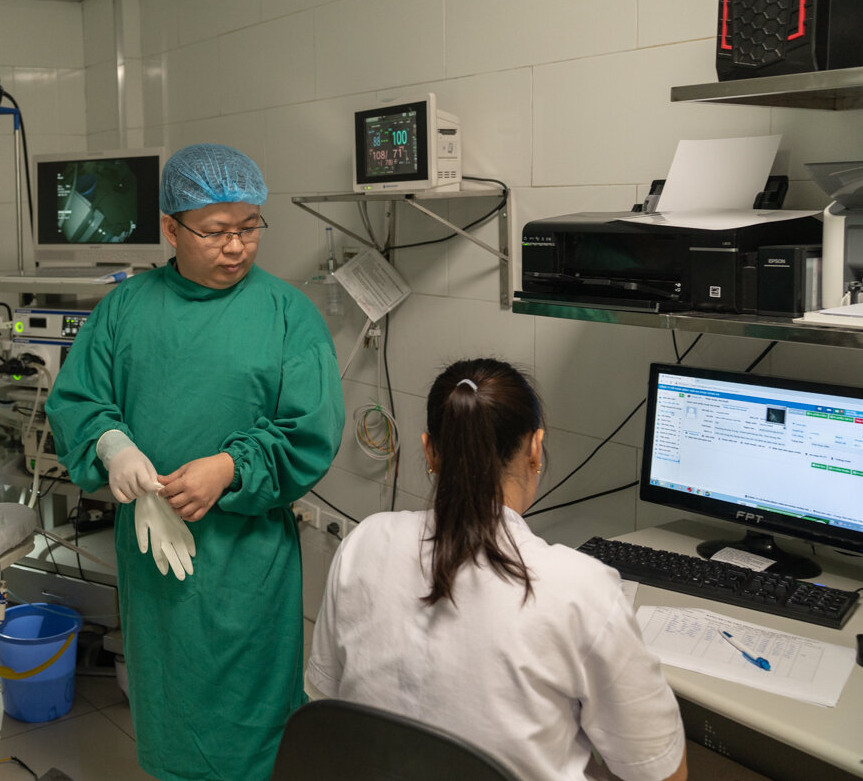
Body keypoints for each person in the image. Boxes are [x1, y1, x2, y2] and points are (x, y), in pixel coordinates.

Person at [46, 143, 343, 781]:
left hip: (248, 558)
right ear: (170, 229)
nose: (236, 246)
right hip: (155, 557)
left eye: (249, 228)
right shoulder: (125, 309)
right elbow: (77, 400)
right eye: (216, 232)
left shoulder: (287, 314)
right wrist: (111, 444)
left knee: (253, 713)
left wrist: (232, 468)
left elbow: (310, 430)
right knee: (169, 702)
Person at [308, 359, 687, 781]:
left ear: (430, 451)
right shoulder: (579, 587)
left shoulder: (365, 543)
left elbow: (327, 698)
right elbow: (662, 773)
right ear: (534, 449)